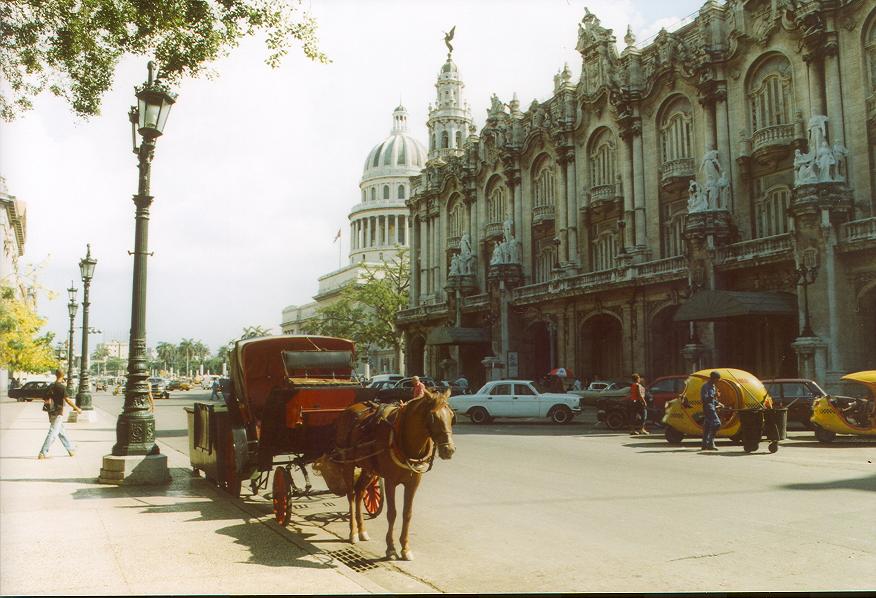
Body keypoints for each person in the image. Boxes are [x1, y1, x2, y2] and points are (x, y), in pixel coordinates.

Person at [38, 369, 81, 459]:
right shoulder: (61, 387)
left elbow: (45, 398)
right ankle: (43, 452)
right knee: (53, 432)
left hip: (51, 412)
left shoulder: (51, 386)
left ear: (56, 375)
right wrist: (77, 409)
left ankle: (70, 450)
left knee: (61, 432)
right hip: (58, 412)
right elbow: (68, 400)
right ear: (63, 375)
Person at [700, 371, 725, 451]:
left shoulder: (713, 386)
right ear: (713, 378)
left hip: (712, 406)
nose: (718, 381)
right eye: (717, 379)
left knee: (707, 425)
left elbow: (713, 399)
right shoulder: (705, 386)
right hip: (708, 407)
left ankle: (704, 444)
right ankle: (710, 443)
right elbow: (705, 398)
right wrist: (714, 395)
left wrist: (719, 403)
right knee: (716, 423)